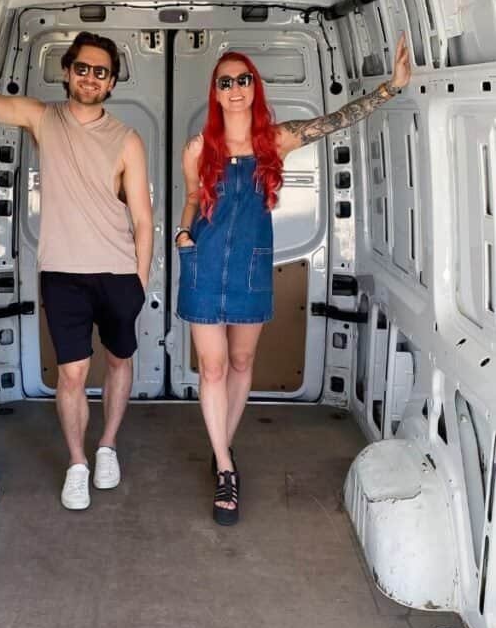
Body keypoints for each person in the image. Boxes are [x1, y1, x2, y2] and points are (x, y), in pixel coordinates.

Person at [176, 34, 411, 525]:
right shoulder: (199, 147)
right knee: (212, 367)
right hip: (204, 261)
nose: (236, 88)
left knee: (242, 362)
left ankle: (225, 446)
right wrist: (182, 232)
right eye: (226, 82)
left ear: (253, 88)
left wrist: (390, 88)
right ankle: (224, 466)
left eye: (244, 79)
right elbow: (194, 200)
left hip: (250, 265)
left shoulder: (274, 140)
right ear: (215, 93)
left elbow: (335, 121)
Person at [0, 7, 153, 511]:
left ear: (112, 81)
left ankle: (108, 447)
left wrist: (140, 280)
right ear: (67, 71)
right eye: (83, 68)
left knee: (120, 361)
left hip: (119, 273)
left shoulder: (127, 139)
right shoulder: (43, 118)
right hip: (62, 274)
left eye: (101, 72)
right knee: (73, 374)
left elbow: (143, 219)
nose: (90, 78)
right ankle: (77, 462)